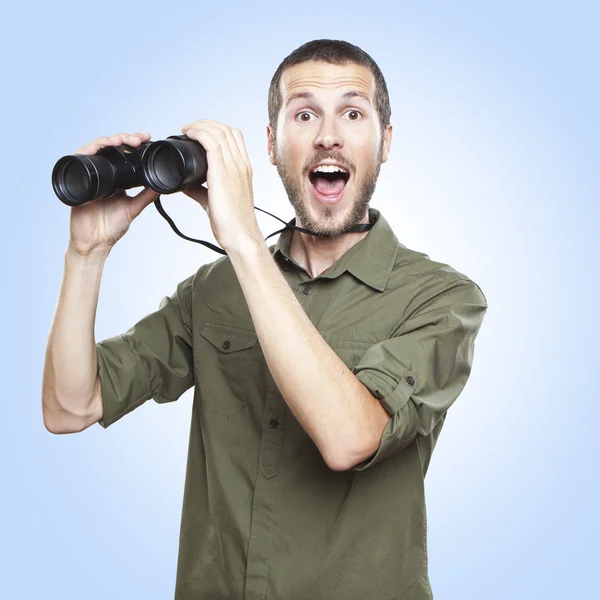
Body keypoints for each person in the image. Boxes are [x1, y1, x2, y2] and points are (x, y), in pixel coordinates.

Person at [42, 39, 488, 600]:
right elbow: (69, 407)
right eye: (304, 114)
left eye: (353, 113)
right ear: (274, 146)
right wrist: (87, 254)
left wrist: (245, 241)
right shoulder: (214, 291)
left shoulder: (442, 298)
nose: (328, 135)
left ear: (385, 142)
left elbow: (350, 440)